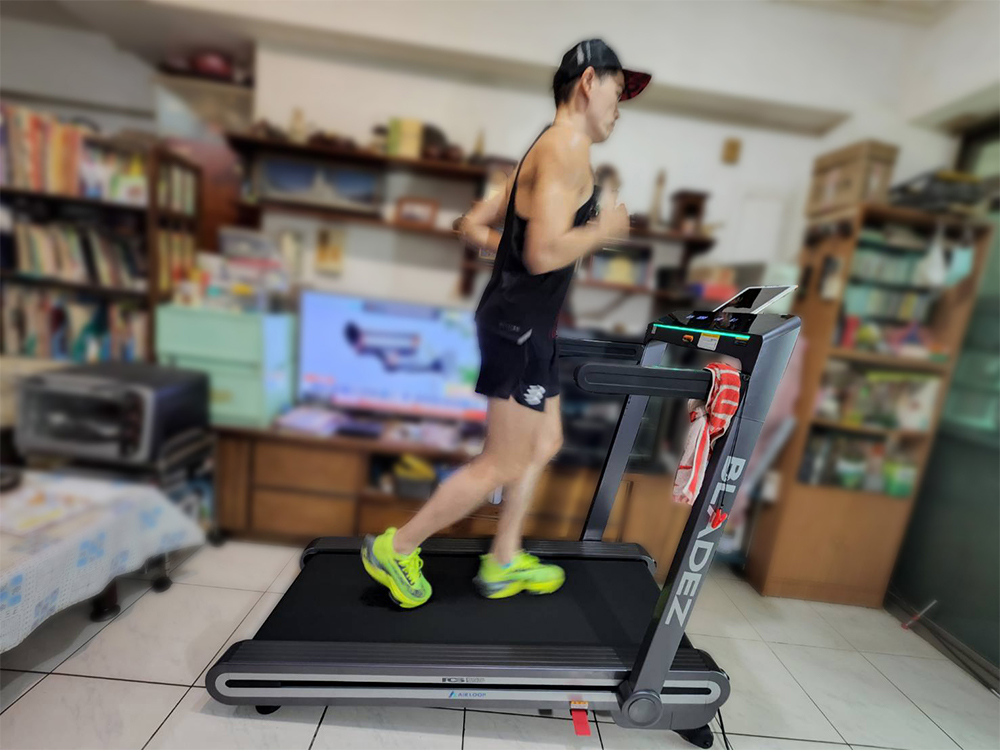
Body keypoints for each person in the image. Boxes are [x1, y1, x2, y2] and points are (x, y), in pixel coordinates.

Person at [362, 39, 651, 608]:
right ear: (588, 82)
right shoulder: (565, 148)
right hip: (519, 326)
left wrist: (521, 252)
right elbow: (542, 255)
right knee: (503, 460)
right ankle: (397, 547)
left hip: (530, 324)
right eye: (618, 92)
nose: (620, 108)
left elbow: (477, 227)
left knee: (546, 440)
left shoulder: (547, 148)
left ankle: (502, 559)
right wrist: (603, 230)